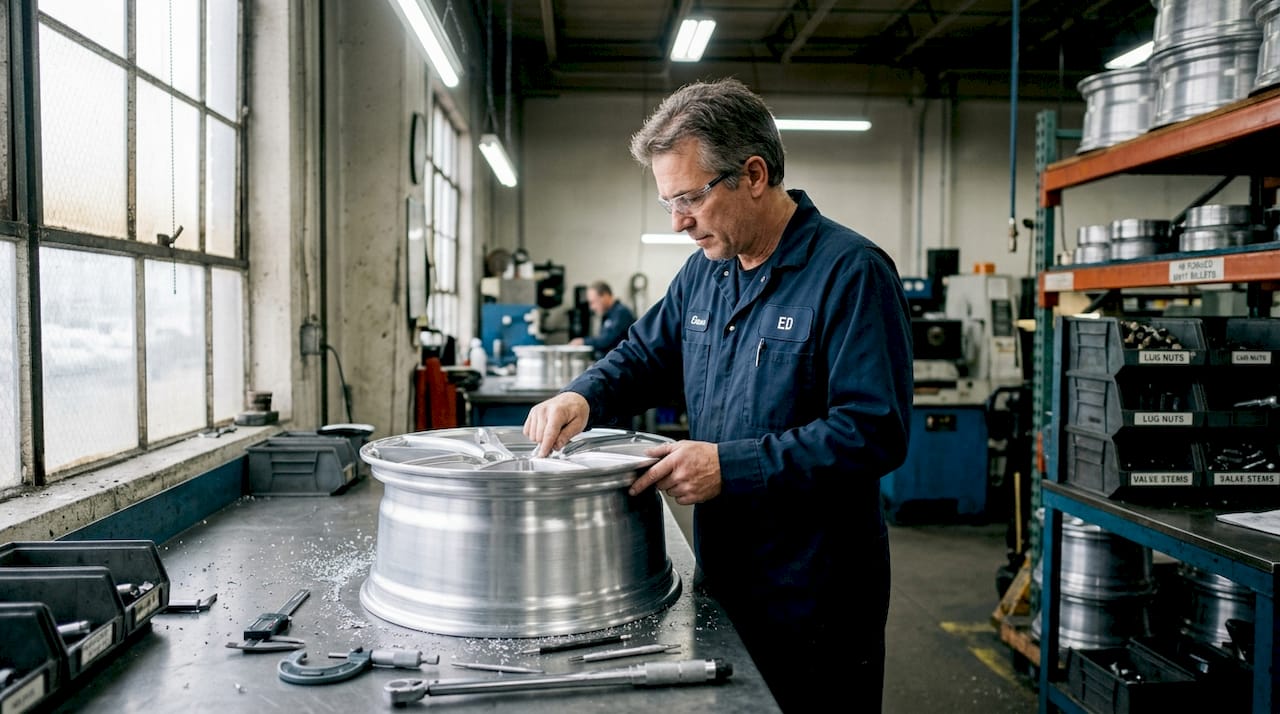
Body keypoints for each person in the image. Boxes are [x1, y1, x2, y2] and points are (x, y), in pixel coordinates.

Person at [523, 77, 913, 713]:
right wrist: (582, 397)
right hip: (725, 580)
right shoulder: (706, 273)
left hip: (817, 597)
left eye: (689, 199)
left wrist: (729, 465)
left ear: (753, 174)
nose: (679, 222)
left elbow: (874, 430)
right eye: (667, 204)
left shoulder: (851, 273)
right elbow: (645, 354)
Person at [569, 281, 636, 358]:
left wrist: (583, 341)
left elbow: (606, 341)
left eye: (593, 302)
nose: (592, 307)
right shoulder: (608, 315)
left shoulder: (621, 313)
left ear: (605, 296)